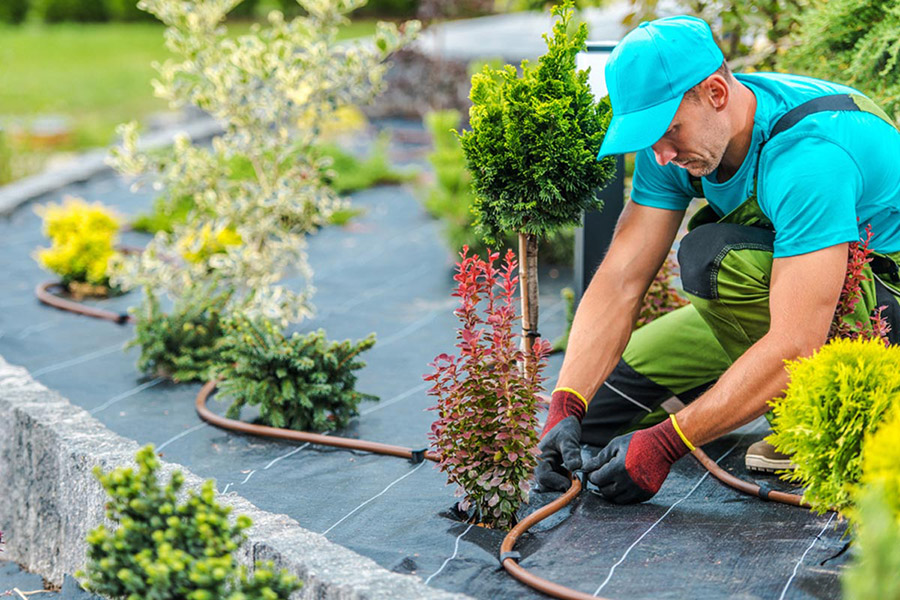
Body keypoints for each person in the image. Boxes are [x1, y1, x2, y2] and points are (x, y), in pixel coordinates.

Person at [535, 15, 900, 503]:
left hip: (876, 310)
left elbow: (796, 340)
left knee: (712, 258)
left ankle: (811, 428)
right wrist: (565, 406)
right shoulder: (682, 143)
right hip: (789, 293)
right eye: (648, 137)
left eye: (668, 131)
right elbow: (622, 279)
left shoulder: (808, 155)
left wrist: (669, 443)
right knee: (598, 411)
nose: (661, 154)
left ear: (715, 93)